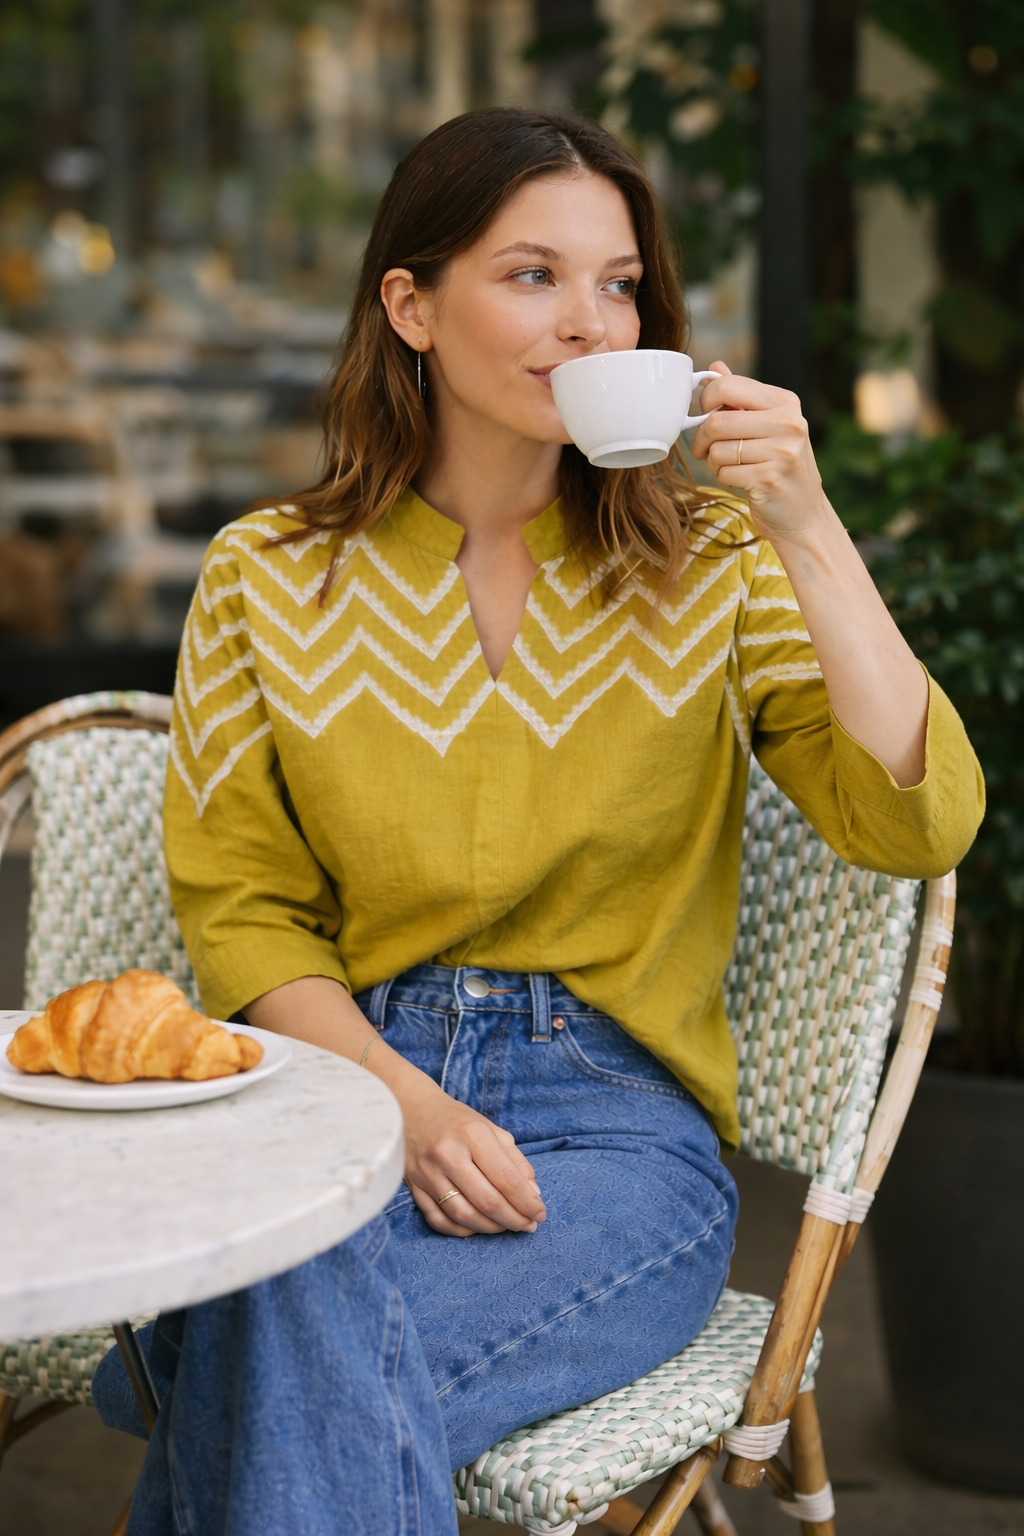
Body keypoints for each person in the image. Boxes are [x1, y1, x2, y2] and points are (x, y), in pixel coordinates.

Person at [94, 107, 984, 1533]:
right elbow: (244, 906)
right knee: (297, 1336)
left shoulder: (716, 565)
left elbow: (915, 820)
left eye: (618, 283)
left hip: (623, 1139)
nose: (588, 322)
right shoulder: (266, 574)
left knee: (255, 1343)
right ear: (412, 306)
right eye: (532, 276)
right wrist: (404, 1097)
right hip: (342, 1102)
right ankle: (204, 1347)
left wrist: (810, 526)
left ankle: (178, 1351)